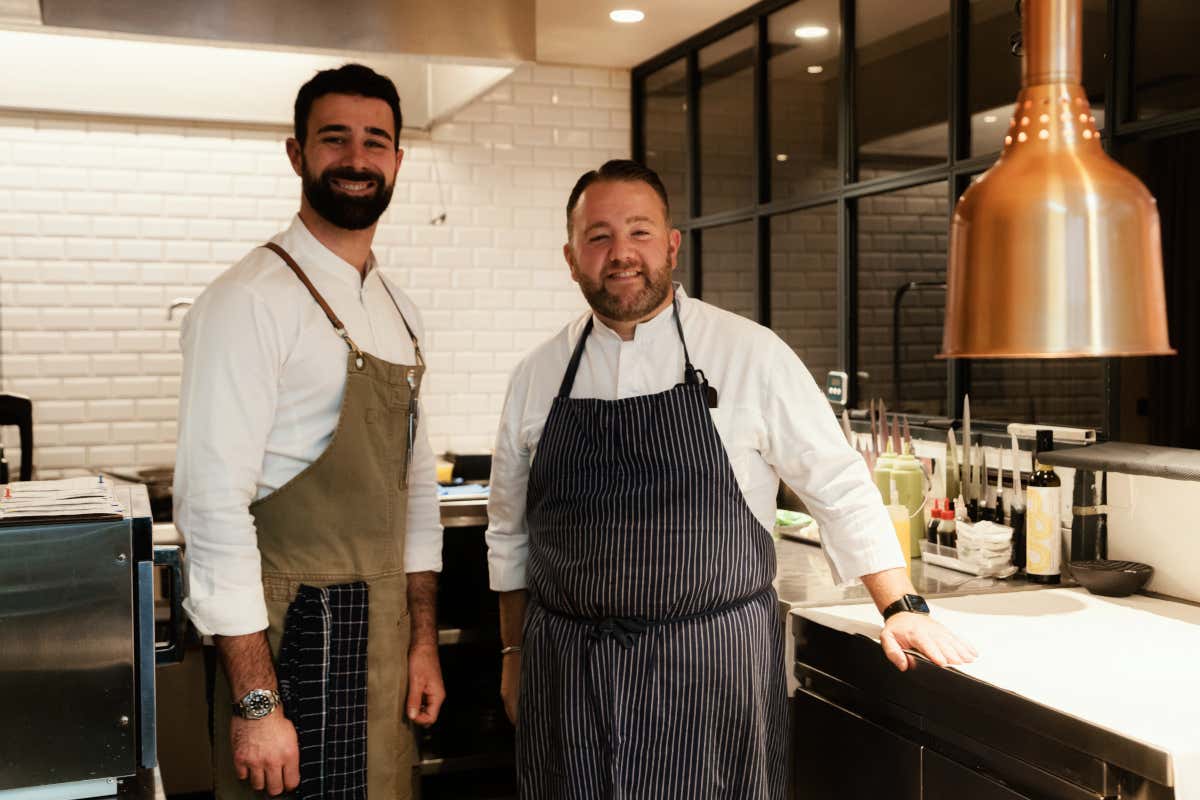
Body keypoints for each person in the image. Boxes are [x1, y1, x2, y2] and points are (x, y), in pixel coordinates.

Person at [485, 159, 976, 798]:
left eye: (638, 231)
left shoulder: (751, 354)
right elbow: (508, 531)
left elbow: (839, 483)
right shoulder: (536, 374)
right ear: (571, 256)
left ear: (671, 244)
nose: (621, 253)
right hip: (568, 674)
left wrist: (901, 605)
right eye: (598, 236)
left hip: (713, 670)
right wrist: (513, 654)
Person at [175, 63, 444, 799]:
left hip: (383, 641)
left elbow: (415, 491)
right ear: (297, 153)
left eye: (375, 141)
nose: (356, 160)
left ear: (397, 159)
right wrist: (256, 702)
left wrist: (422, 641)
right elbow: (209, 509)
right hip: (295, 639)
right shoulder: (247, 302)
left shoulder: (399, 310)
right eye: (334, 139)